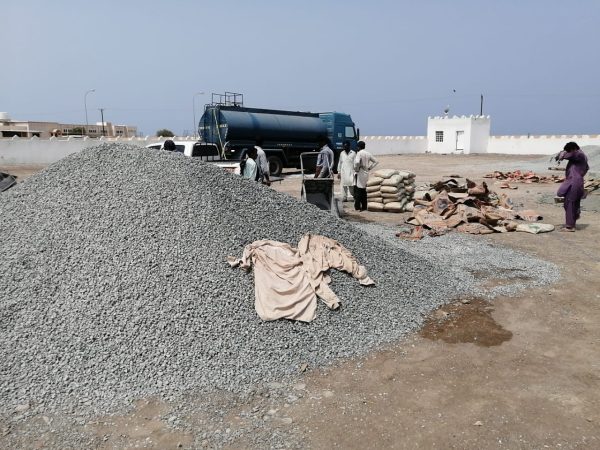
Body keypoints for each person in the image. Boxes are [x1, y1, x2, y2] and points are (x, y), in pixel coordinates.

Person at [555, 141, 589, 232]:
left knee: (569, 203)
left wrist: (562, 154)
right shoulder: (582, 157)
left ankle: (570, 226)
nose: (568, 153)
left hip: (574, 182)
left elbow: (571, 155)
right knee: (573, 203)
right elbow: (587, 168)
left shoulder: (579, 154)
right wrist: (580, 174)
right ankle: (575, 215)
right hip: (576, 181)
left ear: (573, 149)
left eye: (568, 151)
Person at [353, 140, 378, 211]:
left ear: (358, 147)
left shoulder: (359, 153)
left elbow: (357, 162)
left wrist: (357, 169)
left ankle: (357, 206)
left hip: (360, 172)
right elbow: (376, 161)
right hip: (366, 173)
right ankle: (364, 206)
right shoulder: (368, 153)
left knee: (358, 189)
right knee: (364, 190)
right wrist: (370, 168)